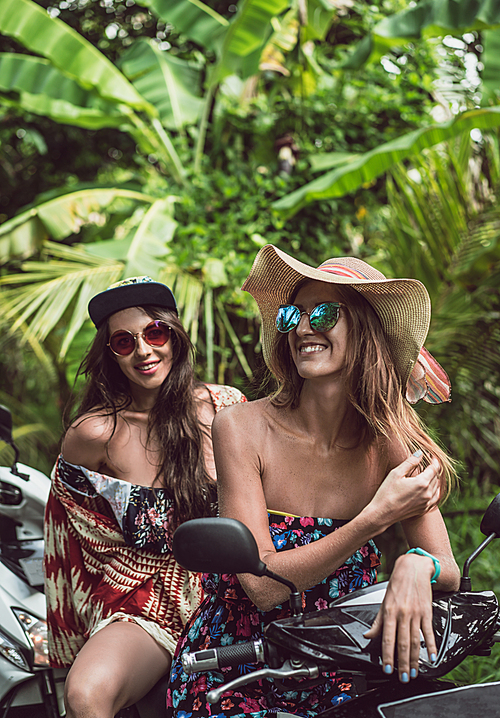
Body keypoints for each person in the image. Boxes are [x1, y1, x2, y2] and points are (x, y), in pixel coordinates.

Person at [167, 245, 460, 718]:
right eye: (292, 315)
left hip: (337, 670)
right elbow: (262, 586)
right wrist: (374, 518)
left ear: (362, 331)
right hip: (236, 669)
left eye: (323, 314)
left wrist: (414, 566)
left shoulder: (387, 444)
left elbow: (449, 567)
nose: (304, 328)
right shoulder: (240, 428)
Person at [43, 276, 246, 718]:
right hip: (148, 594)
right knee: (86, 694)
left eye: (155, 333)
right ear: (110, 354)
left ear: (174, 335)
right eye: (124, 341)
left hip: (237, 584)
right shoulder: (95, 434)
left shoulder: (223, 406)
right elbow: (71, 539)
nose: (144, 351)